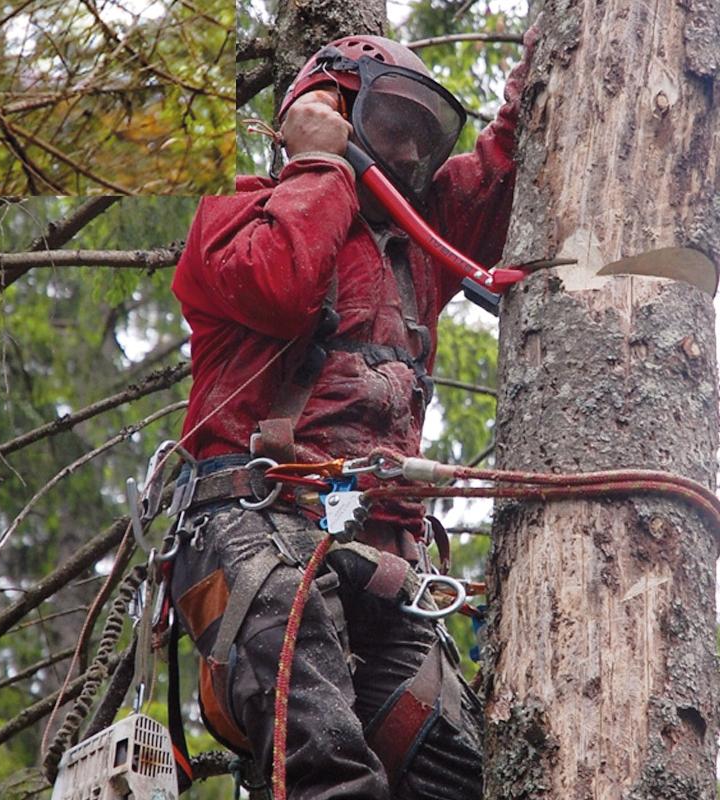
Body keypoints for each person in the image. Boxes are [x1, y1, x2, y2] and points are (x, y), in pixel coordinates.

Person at [169, 30, 535, 800]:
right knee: (327, 767)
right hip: (256, 527)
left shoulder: (415, 247)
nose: (409, 151)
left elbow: (497, 179)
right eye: (393, 124)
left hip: (381, 557)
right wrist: (319, 164)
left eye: (423, 134)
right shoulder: (238, 214)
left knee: (460, 776)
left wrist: (535, 82)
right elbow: (280, 285)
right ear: (328, 108)